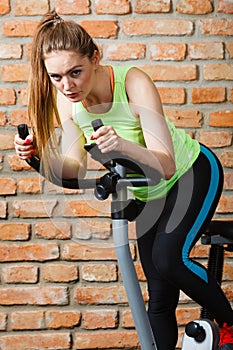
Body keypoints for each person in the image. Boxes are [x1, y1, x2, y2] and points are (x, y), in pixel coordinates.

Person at [14, 10, 233, 350]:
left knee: (168, 259)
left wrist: (123, 146)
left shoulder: (133, 82)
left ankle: (231, 324)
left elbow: (166, 166)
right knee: (158, 296)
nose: (67, 85)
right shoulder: (67, 103)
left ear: (95, 58)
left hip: (192, 171)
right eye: (56, 77)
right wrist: (35, 159)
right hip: (150, 193)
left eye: (75, 72)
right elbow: (73, 171)